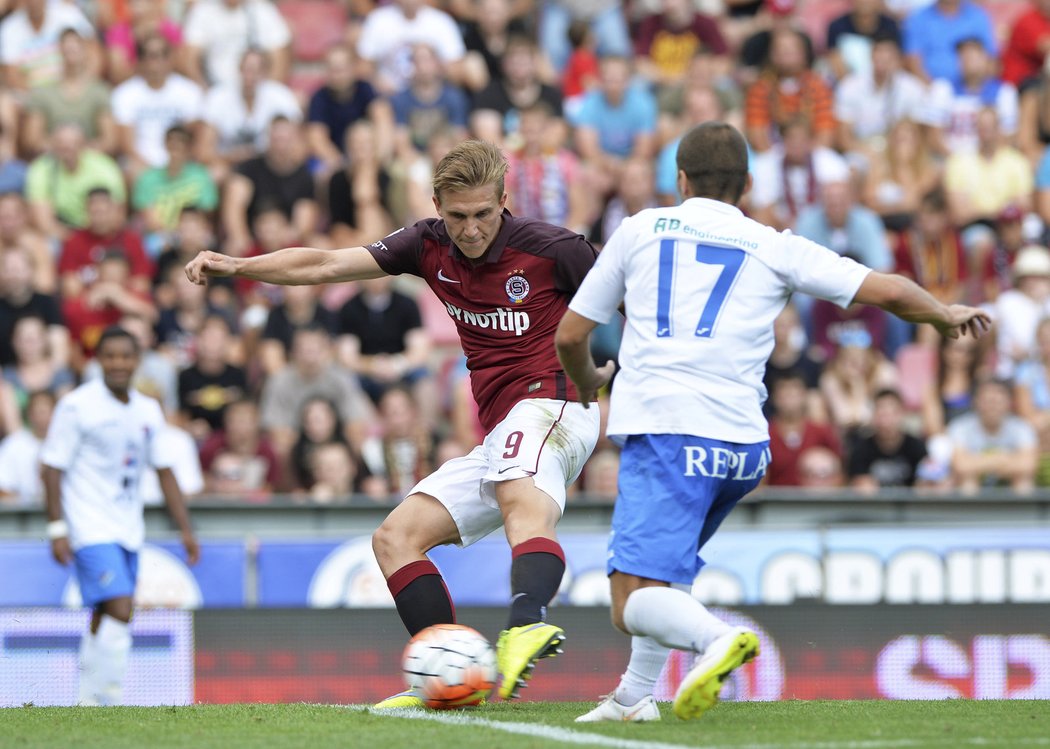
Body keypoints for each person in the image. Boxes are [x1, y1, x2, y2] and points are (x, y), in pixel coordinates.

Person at [554, 121, 991, 722]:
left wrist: (585, 382)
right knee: (665, 571)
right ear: (748, 184)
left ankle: (713, 640)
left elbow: (572, 334)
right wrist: (943, 315)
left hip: (671, 430)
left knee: (627, 599)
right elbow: (884, 289)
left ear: (679, 180)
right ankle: (634, 696)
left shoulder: (638, 229)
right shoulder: (773, 244)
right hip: (743, 449)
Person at [184, 139, 601, 706]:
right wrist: (237, 265)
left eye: (483, 214)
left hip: (556, 406)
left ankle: (526, 622)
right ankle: (450, 679)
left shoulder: (555, 249)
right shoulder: (426, 245)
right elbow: (327, 262)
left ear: (504, 199)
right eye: (457, 216)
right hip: (503, 428)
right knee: (395, 538)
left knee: (517, 492)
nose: (472, 229)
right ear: (436, 205)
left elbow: (638, 305)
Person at [39, 326, 198, 706]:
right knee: (122, 606)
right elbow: (51, 468)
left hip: (127, 526)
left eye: (125, 356)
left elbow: (164, 470)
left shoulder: (147, 409)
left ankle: (86, 698)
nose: (118, 363)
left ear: (137, 361)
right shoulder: (77, 405)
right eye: (110, 356)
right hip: (87, 524)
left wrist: (186, 530)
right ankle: (109, 696)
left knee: (105, 608)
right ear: (98, 360)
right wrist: (57, 527)